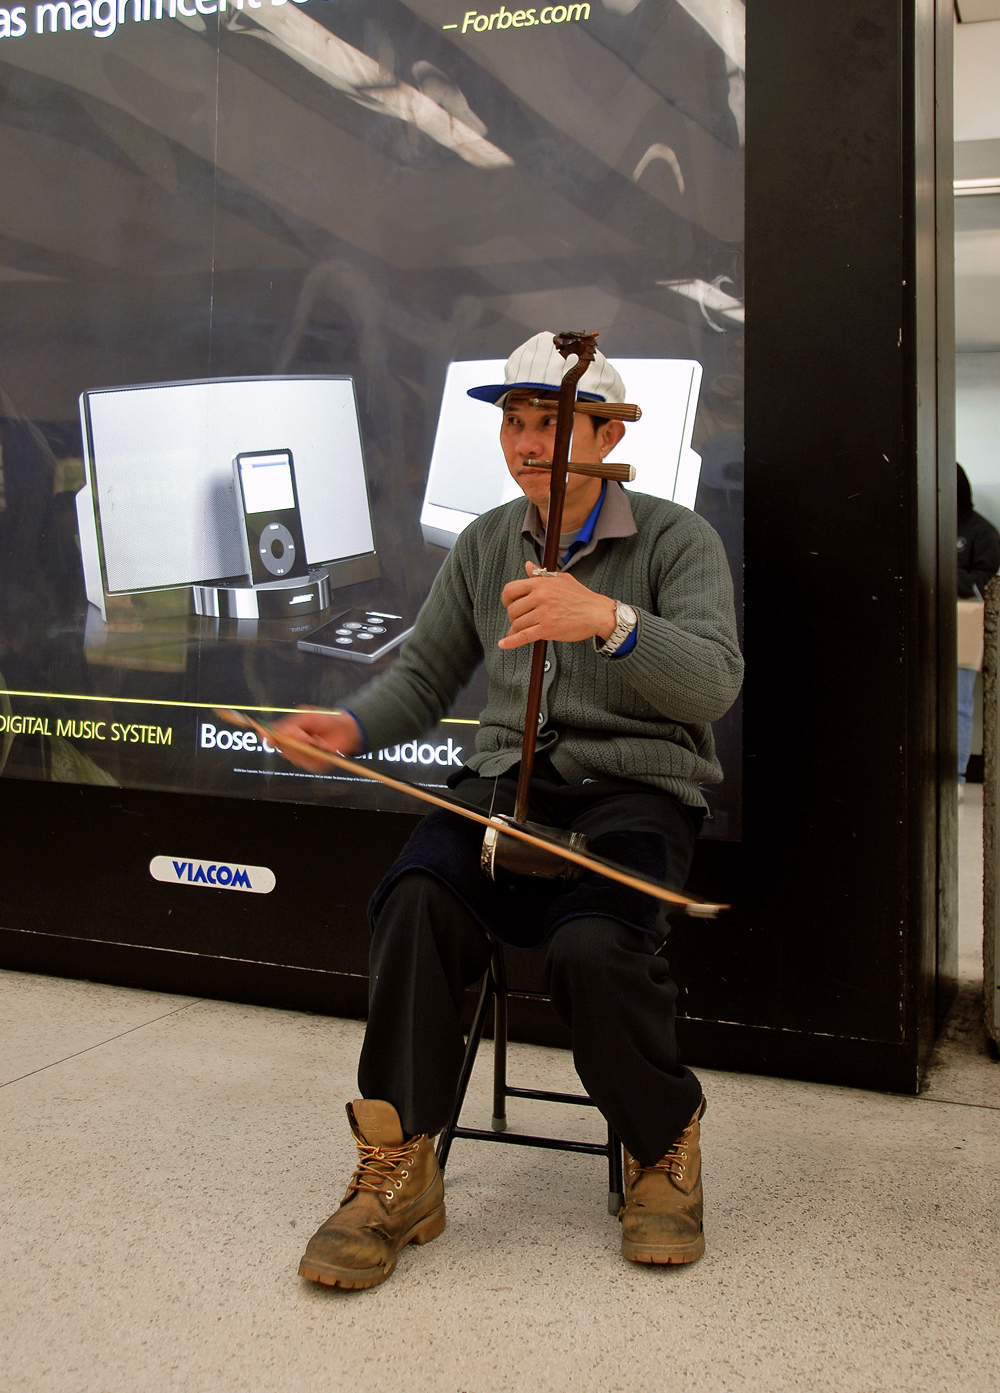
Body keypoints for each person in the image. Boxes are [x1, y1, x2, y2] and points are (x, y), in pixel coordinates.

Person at [272, 332, 743, 1288]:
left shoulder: (675, 539)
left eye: (554, 423)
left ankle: (662, 1144)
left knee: (595, 948)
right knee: (414, 900)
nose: (529, 444)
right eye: (515, 423)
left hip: (635, 794)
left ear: (610, 435)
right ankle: (401, 1163)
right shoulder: (488, 539)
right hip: (502, 787)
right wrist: (352, 726)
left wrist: (608, 623)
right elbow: (424, 676)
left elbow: (714, 686)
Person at [957, 465, 1000, 790]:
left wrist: (947, 576)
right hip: (925, 627)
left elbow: (985, 583)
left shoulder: (981, 532)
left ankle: (955, 777)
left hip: (964, 627)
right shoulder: (928, 524)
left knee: (959, 704)